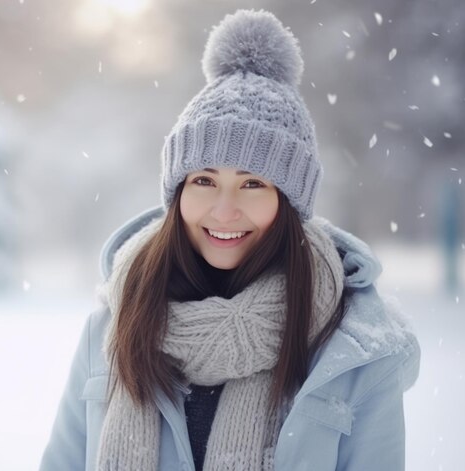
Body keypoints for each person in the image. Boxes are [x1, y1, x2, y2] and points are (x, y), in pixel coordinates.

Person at [39, 9, 420, 471]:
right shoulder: (114, 326)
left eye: (253, 183)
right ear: (177, 193)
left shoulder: (353, 355)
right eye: (203, 180)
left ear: (291, 203)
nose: (223, 209)